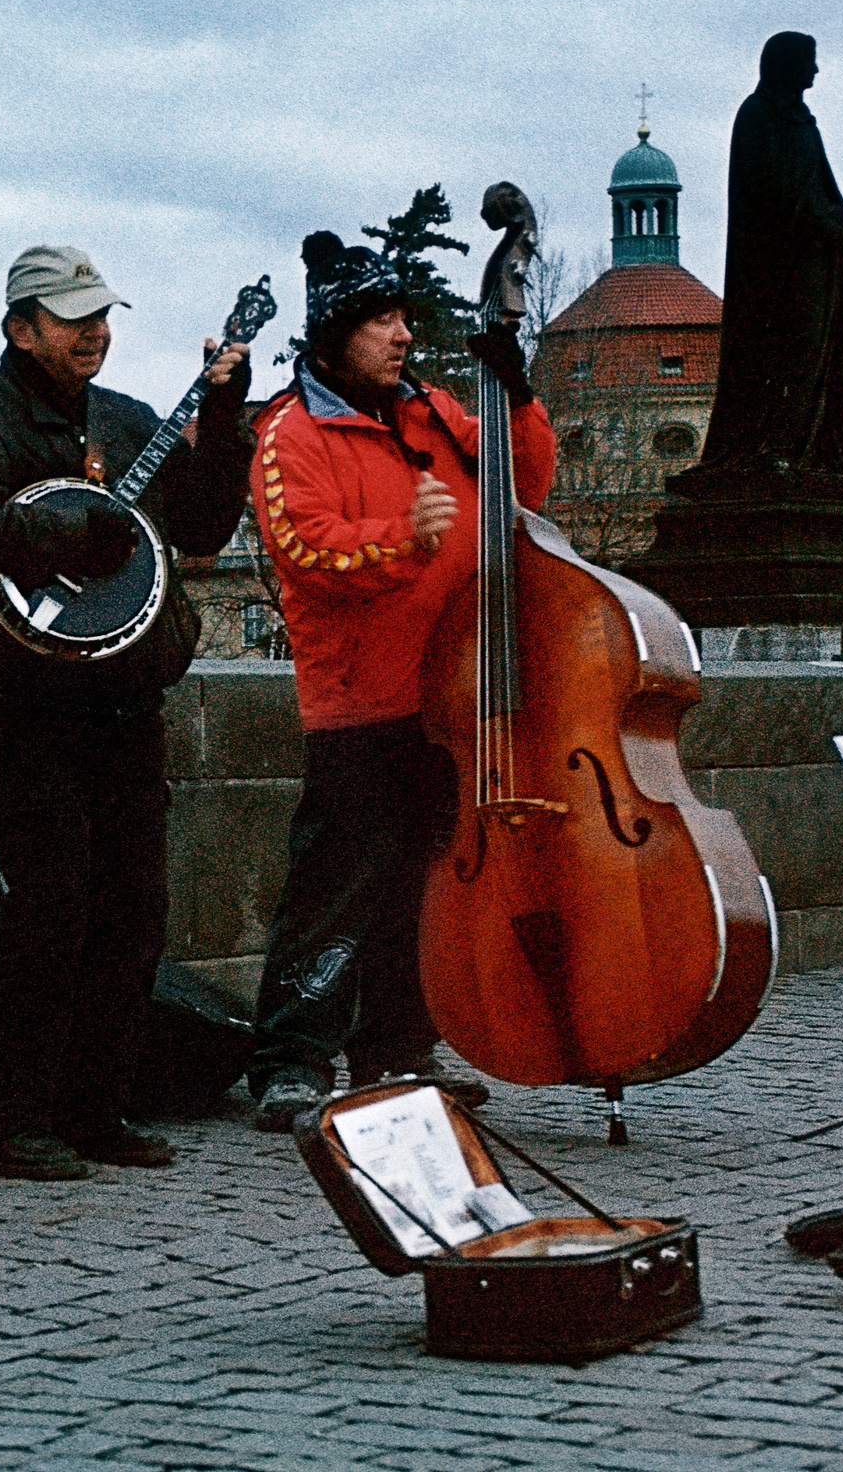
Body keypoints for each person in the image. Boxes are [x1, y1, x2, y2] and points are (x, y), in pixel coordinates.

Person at [0, 245, 251, 1180]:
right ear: (22, 328)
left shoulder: (127, 420)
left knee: (133, 910)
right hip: (22, 703)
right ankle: (9, 1121)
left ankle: (98, 1108)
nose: (95, 332)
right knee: (53, 906)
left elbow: (208, 524)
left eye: (102, 315)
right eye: (73, 319)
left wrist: (225, 415)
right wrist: (54, 529)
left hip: (122, 695)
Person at [242, 223, 556, 1133]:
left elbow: (525, 486)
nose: (404, 334)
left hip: (454, 699)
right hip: (359, 703)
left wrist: (517, 392)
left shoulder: (432, 411)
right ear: (335, 336)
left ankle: (397, 1050)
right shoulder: (289, 433)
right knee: (337, 885)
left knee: (426, 884)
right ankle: (289, 1062)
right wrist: (402, 544)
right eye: (382, 320)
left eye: (406, 318)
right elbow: (306, 554)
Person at [677, 32, 843, 493]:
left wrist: (839, 220)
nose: (816, 71)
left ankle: (806, 446)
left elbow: (812, 185)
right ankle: (773, 447)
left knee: (814, 354)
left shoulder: (798, 120)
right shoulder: (760, 114)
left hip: (812, 260)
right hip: (778, 267)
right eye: (810, 61)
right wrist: (833, 223)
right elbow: (779, 195)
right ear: (786, 64)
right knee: (788, 351)